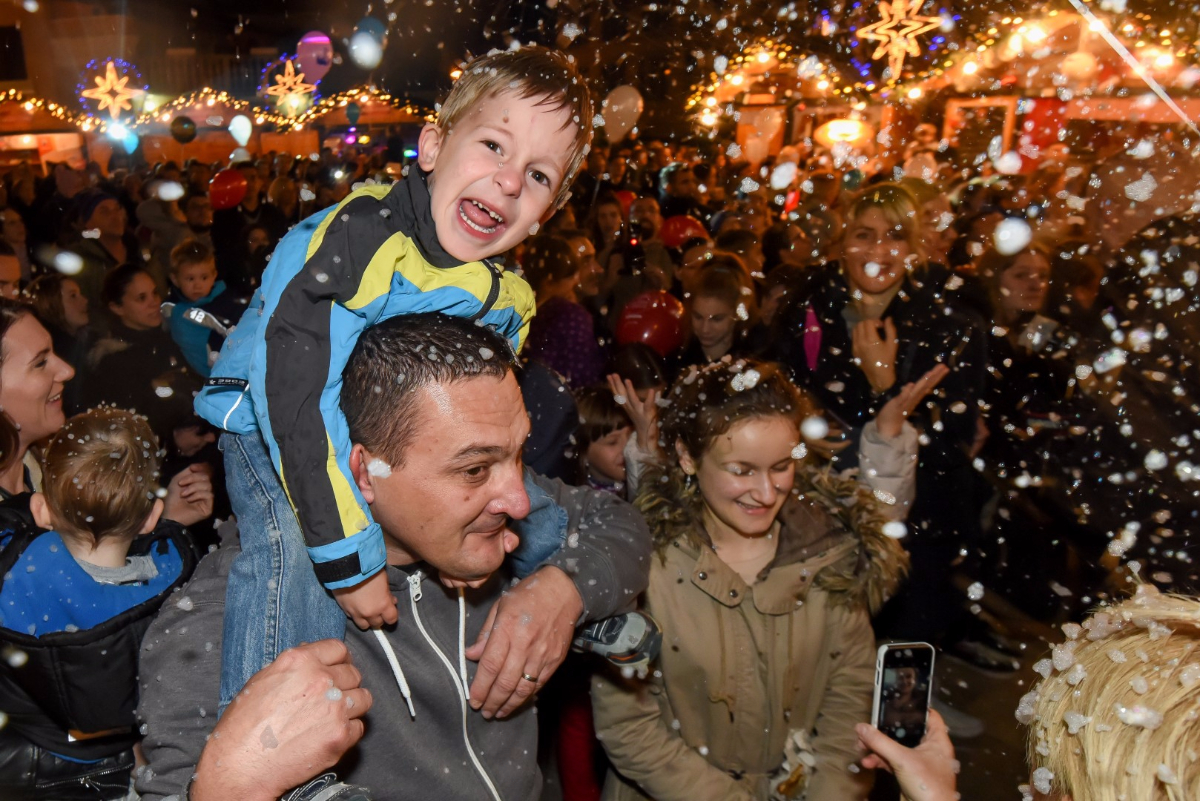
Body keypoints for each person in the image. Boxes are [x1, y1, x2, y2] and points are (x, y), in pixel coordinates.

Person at [192, 46, 595, 712]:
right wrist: (348, 560)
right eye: (493, 145)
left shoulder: (502, 295)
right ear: (432, 147)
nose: (508, 181)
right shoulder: (358, 241)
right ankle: (276, 729)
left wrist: (477, 541)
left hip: (377, 427)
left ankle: (576, 604)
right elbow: (295, 398)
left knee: (530, 505)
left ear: (547, 211)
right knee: (291, 557)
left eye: (538, 174)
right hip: (270, 419)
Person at [138, 312, 651, 801]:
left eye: (517, 455)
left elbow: (620, 525)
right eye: (474, 470)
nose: (517, 500)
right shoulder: (230, 616)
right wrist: (232, 786)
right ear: (364, 472)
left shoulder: (495, 510)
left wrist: (562, 590)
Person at [591, 359, 908, 800]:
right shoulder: (641, 567)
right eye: (741, 470)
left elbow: (848, 699)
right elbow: (629, 727)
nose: (765, 492)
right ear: (687, 457)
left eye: (781, 466)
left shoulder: (829, 556)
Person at [770, 184, 989, 663]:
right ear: (843, 242)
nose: (878, 250)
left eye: (894, 235)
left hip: (914, 530)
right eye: (864, 235)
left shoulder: (951, 325)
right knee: (819, 655)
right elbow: (774, 390)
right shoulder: (808, 307)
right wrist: (802, 420)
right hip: (819, 518)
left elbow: (954, 443)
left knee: (898, 660)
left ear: (914, 246)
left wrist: (885, 385)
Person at [0, 408, 197, 800]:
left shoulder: (14, 574)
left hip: (39, 754)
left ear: (40, 510)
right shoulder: (171, 590)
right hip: (113, 761)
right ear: (151, 518)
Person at [82, 265, 201, 440]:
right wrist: (174, 440)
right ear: (117, 307)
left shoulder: (172, 336)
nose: (154, 302)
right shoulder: (114, 362)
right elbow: (128, 427)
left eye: (155, 293)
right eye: (141, 298)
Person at [523, 233, 605, 387]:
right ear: (549, 281)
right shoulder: (571, 316)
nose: (576, 281)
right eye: (571, 276)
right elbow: (583, 375)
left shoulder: (515, 309)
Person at [162, 239, 249, 377]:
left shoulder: (224, 305)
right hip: (188, 373)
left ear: (214, 275)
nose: (198, 285)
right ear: (175, 279)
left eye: (204, 278)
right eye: (190, 279)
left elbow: (242, 337)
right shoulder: (170, 306)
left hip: (224, 375)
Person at [574, 385, 633, 492]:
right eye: (612, 442)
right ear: (583, 450)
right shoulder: (573, 498)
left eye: (631, 436)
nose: (628, 448)